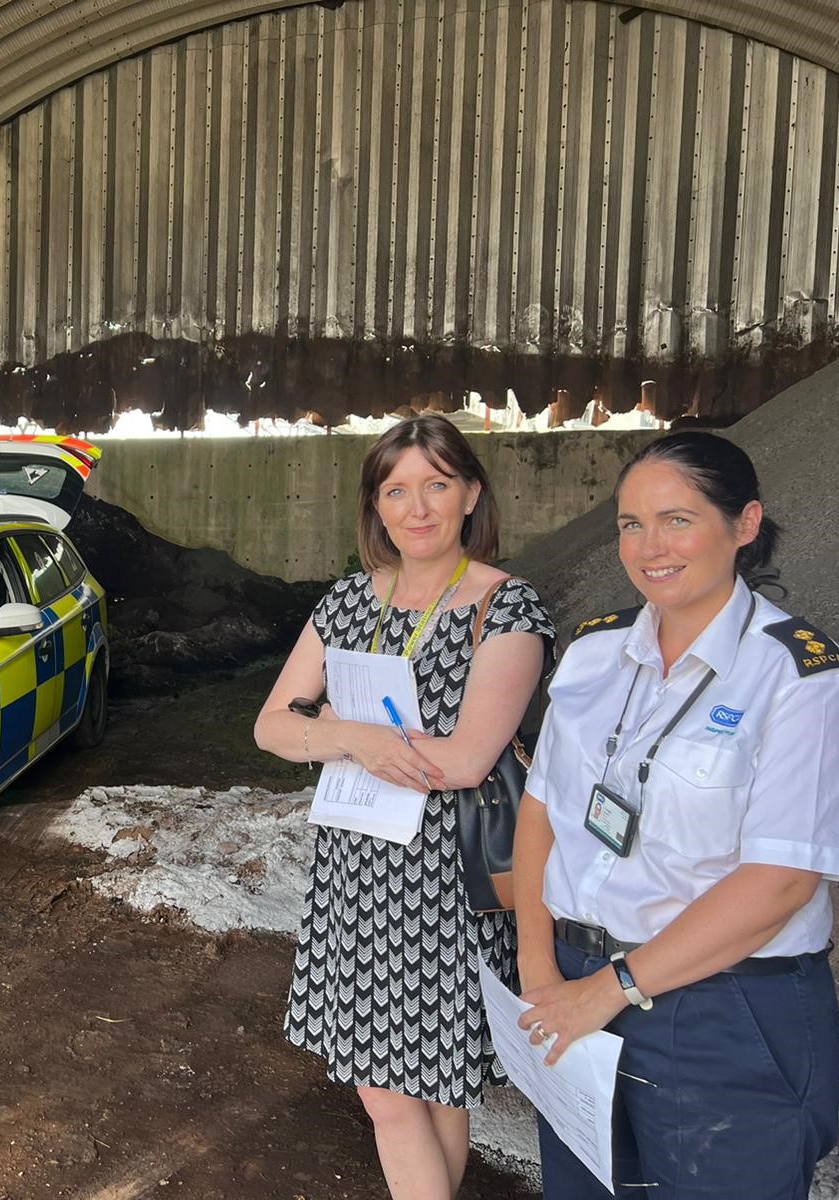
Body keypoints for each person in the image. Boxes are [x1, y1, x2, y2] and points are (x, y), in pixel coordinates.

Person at [513, 431, 839, 1198]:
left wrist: (608, 988)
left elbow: (779, 882)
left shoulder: (801, 679)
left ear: (744, 524)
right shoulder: (592, 654)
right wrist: (539, 966)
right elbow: (541, 812)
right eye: (631, 524)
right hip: (574, 983)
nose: (650, 547)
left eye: (678, 520)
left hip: (725, 1011)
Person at [254, 413, 553, 1200]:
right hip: (356, 870)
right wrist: (355, 737)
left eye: (436, 486)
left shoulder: (507, 608)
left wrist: (346, 740)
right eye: (396, 490)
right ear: (375, 506)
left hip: (446, 881)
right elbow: (271, 725)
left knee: (412, 1090)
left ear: (470, 495)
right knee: (413, 1088)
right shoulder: (349, 601)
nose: (416, 508)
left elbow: (465, 761)